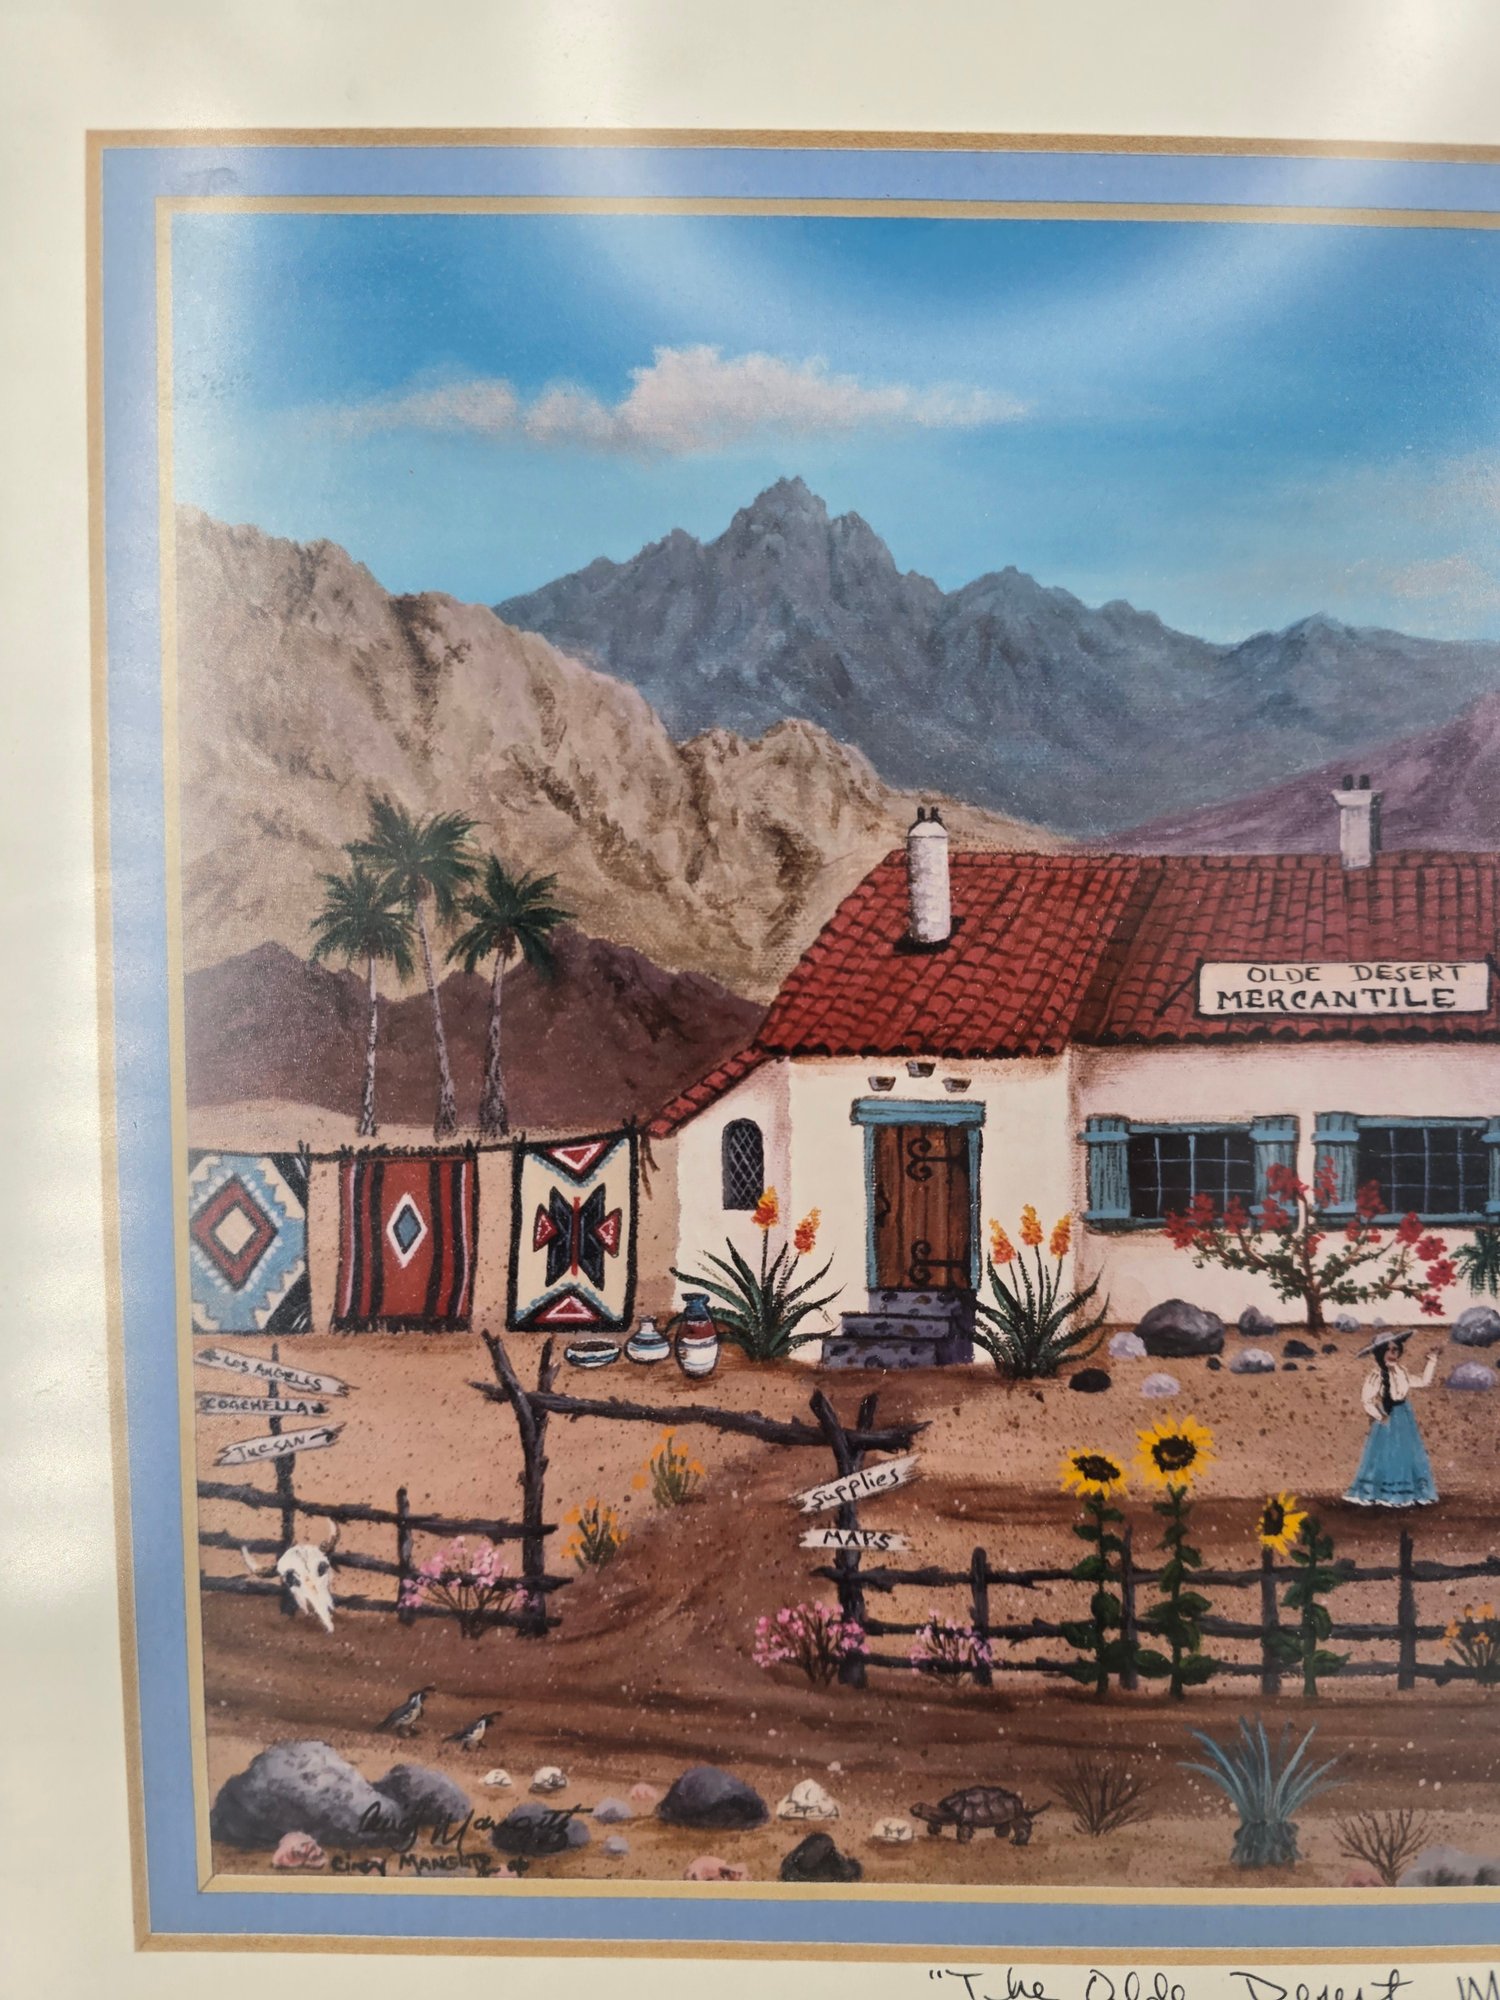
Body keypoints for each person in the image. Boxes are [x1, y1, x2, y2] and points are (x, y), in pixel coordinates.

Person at [1344, 1328, 1440, 1507]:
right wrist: (1380, 1416)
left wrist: (1432, 1360)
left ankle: (1406, 1494)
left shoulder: (1401, 1371)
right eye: (1387, 1350)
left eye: (1395, 1349)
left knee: (1406, 1453)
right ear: (1380, 1353)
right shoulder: (1376, 1375)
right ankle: (1382, 1494)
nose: (1392, 1353)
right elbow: (1367, 1400)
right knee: (1385, 1454)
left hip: (1404, 1416)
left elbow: (1423, 1381)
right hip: (1387, 1417)